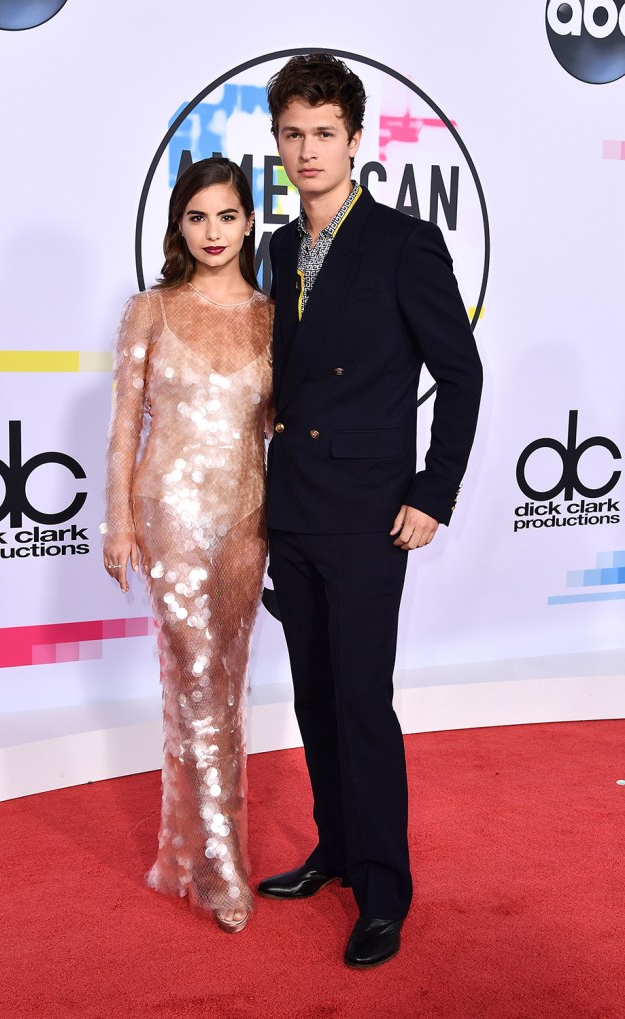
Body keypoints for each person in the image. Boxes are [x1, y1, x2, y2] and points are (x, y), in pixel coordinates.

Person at [257, 55, 484, 968]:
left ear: (356, 141)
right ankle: (338, 848)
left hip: (368, 510)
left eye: (323, 133)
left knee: (361, 697)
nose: (307, 149)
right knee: (314, 694)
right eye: (291, 134)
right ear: (277, 143)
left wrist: (434, 491)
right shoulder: (273, 248)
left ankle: (384, 887)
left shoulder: (403, 241)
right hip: (291, 508)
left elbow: (460, 373)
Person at [102, 157, 273, 934]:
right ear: (179, 223)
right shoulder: (150, 309)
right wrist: (118, 520)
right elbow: (124, 422)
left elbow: (280, 425)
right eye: (197, 217)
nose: (212, 232)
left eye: (227, 216)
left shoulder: (274, 317)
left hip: (248, 518)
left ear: (248, 222)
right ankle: (220, 866)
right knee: (195, 675)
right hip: (166, 510)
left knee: (226, 688)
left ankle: (206, 844)